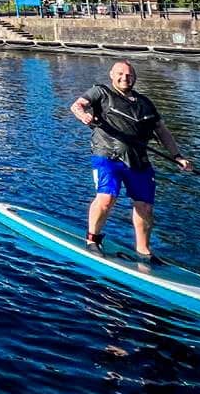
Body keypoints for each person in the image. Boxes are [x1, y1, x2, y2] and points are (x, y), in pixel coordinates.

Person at [69, 60, 192, 262]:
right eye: (120, 74)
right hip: (108, 157)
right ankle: (93, 239)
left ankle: (143, 250)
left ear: (134, 77)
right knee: (107, 198)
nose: (125, 78)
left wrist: (177, 156)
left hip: (138, 160)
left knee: (145, 207)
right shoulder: (101, 93)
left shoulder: (145, 104)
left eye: (129, 75)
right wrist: (83, 115)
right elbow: (78, 105)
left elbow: (162, 131)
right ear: (111, 75)